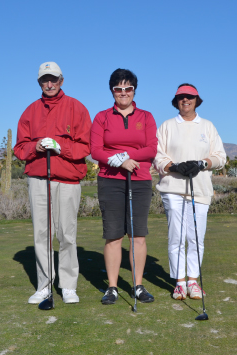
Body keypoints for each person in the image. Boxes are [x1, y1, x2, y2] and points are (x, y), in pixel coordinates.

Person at [14, 62, 92, 305]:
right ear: (39, 82)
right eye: (44, 80)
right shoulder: (30, 111)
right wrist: (34, 147)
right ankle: (44, 285)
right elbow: (19, 147)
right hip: (38, 178)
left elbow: (86, 146)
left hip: (67, 179)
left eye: (53, 79)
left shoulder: (77, 108)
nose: (49, 84)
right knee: (42, 234)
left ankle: (68, 285)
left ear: (62, 80)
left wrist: (61, 147)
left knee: (66, 233)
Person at [90, 68, 158, 305]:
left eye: (128, 88)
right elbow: (96, 150)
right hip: (110, 180)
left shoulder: (146, 117)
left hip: (139, 180)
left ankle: (138, 285)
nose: (123, 93)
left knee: (138, 235)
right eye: (118, 89)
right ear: (112, 91)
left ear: (134, 90)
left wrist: (129, 157)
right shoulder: (102, 117)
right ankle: (112, 287)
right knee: (113, 236)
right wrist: (119, 160)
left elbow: (151, 148)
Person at [153, 83, 226, 300]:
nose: (186, 100)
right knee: (176, 236)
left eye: (190, 97)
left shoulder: (207, 126)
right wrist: (173, 166)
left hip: (200, 189)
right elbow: (157, 155)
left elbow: (221, 157)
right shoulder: (167, 126)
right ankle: (179, 282)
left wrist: (202, 163)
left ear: (197, 100)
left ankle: (193, 281)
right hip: (173, 188)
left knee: (195, 237)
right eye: (181, 97)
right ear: (176, 101)